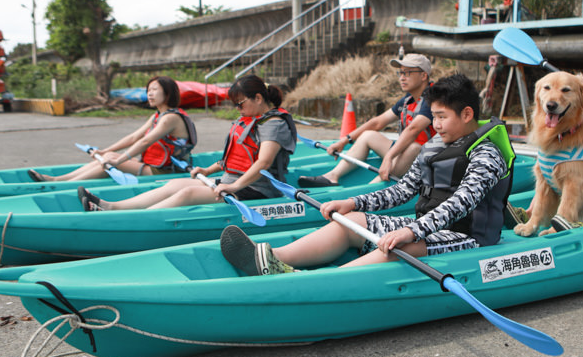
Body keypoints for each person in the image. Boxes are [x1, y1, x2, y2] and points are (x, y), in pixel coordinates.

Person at [220, 73, 515, 275]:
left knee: (402, 245)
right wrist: (353, 203)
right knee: (351, 222)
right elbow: (402, 190)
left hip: (468, 236)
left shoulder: (487, 154)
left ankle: (320, 282)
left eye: (441, 117)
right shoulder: (437, 145)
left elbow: (460, 203)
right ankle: (275, 260)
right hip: (425, 226)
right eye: (433, 116)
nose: (434, 125)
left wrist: (411, 231)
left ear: (466, 114)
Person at [78, 75, 296, 211]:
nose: (238, 110)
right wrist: (207, 170)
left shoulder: (273, 124)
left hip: (257, 188)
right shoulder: (249, 119)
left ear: (258, 98)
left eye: (240, 104)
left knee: (187, 194)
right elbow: (233, 158)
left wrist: (234, 186)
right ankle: (112, 207)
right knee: (175, 185)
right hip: (231, 179)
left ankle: (131, 219)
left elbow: (263, 162)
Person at [297, 53, 436, 187]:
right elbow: (377, 122)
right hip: (405, 153)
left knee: (414, 148)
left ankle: (369, 192)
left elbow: (414, 129)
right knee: (368, 135)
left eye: (408, 73)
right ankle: (332, 176)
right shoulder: (408, 99)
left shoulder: (434, 97)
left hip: (429, 159)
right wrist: (345, 140)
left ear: (424, 75)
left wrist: (388, 157)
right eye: (400, 73)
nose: (402, 78)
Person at [29, 76, 196, 182]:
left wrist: (118, 161)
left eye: (154, 90)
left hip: (162, 171)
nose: (149, 94)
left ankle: (60, 183)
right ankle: (59, 180)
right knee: (106, 157)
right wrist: (105, 151)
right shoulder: (157, 116)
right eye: (148, 90)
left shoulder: (170, 118)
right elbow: (133, 137)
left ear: (167, 94)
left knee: (109, 160)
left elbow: (145, 141)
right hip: (151, 165)